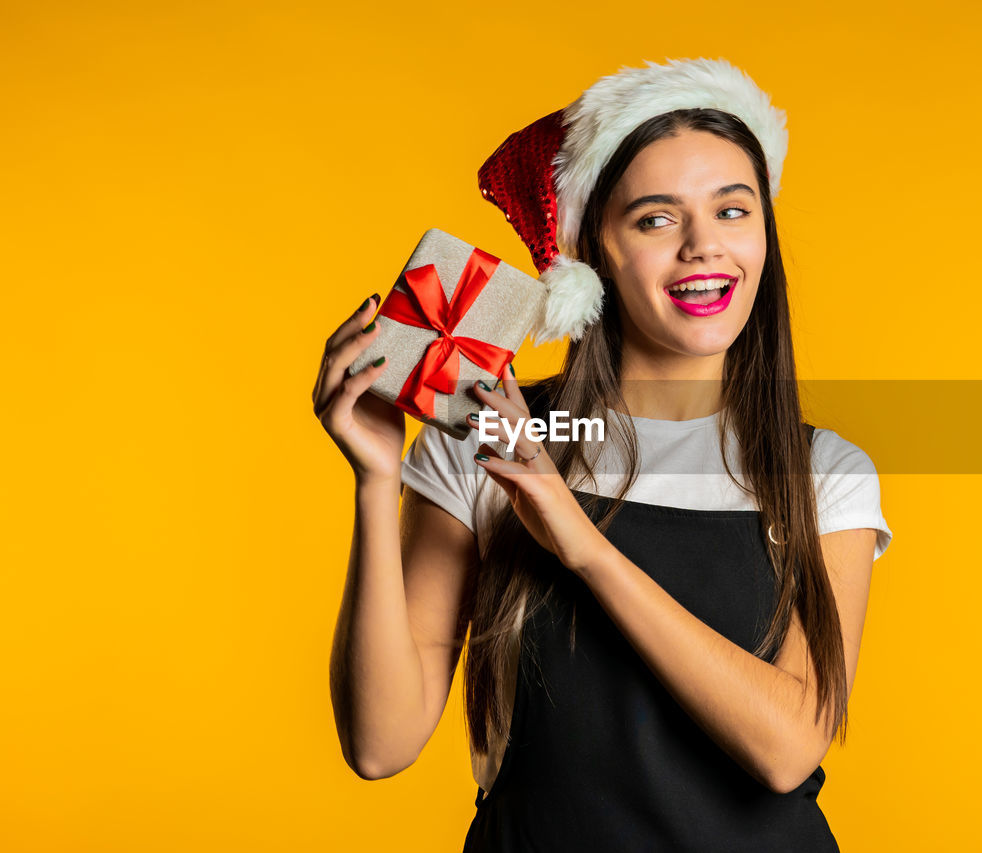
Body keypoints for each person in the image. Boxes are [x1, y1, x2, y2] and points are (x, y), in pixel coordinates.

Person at [314, 58, 893, 852]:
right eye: (656, 220)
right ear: (592, 251)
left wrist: (579, 540)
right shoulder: (493, 436)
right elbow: (380, 744)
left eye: (733, 210)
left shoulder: (823, 471)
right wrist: (377, 480)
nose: (703, 247)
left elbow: (789, 747)